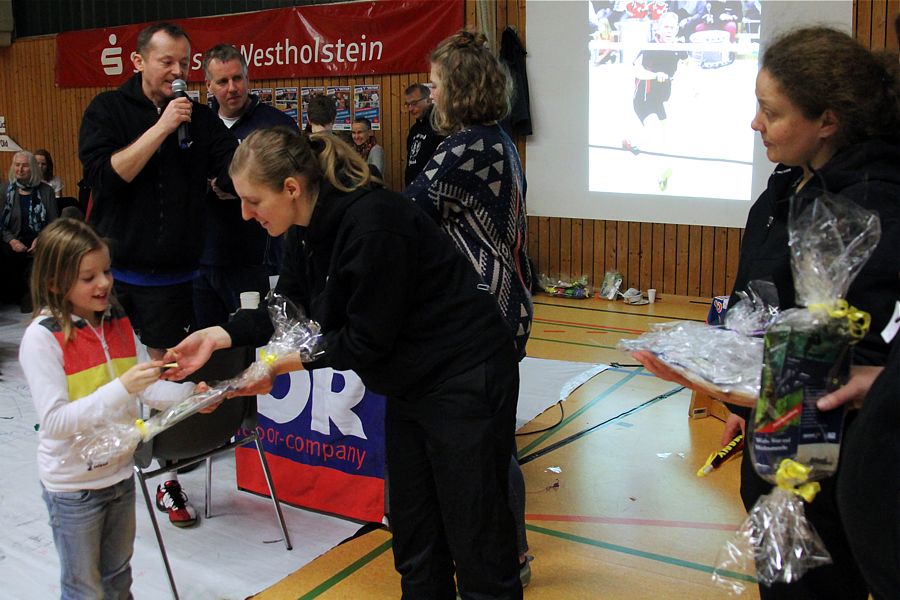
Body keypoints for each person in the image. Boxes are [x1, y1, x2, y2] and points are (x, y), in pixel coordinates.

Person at [164, 127, 523, 600]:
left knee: (477, 541)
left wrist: (272, 368)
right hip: (412, 384)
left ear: (290, 188)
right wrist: (219, 334)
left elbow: (362, 341)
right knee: (416, 538)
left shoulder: (375, 224)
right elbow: (285, 311)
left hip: (465, 376)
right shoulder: (303, 230)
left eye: (253, 200)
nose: (246, 213)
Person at [635, 27, 900, 600]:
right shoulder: (792, 185)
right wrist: (741, 402)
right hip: (777, 438)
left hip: (828, 473)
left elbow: (860, 368)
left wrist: (754, 389)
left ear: (826, 121)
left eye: (770, 111)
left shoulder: (870, 207)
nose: (756, 123)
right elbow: (769, 305)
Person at [78, 21, 238, 527]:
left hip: (172, 277)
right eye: (167, 61)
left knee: (167, 377)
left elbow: (231, 172)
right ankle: (97, 471)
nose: (177, 72)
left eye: (185, 64)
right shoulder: (108, 110)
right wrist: (164, 126)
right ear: (139, 61)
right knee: (108, 378)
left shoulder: (201, 119)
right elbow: (106, 177)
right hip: (111, 276)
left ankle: (168, 476)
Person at [404, 28, 534, 585]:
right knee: (490, 451)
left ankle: (508, 555)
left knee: (483, 461)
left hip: (485, 317)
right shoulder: (492, 139)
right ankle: (509, 552)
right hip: (498, 311)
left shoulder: (469, 146)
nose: (429, 95)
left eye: (434, 86)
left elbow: (410, 212)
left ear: (457, 89)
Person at [18, 218, 204, 599]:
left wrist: (190, 397)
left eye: (105, 271)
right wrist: (122, 388)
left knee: (118, 577)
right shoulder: (41, 340)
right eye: (88, 277)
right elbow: (55, 423)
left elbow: (146, 390)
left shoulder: (116, 320)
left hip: (119, 477)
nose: (103, 283)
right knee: (85, 589)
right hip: (74, 489)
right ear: (55, 283)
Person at [196, 43, 298, 329]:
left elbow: (294, 186)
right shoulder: (198, 126)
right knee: (209, 347)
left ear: (248, 78)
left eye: (237, 78)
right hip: (203, 257)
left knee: (255, 343)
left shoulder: (275, 125)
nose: (232, 88)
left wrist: (243, 190)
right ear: (209, 85)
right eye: (222, 81)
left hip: (255, 258)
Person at [1, 150, 58, 310]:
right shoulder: (4, 190)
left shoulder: (46, 191)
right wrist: (11, 240)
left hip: (38, 242)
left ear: (32, 168)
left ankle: (32, 294)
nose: (20, 169)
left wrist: (41, 239)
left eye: (25, 166)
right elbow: (1, 224)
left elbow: (54, 223)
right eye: (17, 165)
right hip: (10, 242)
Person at [403, 82, 445, 186]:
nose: (410, 109)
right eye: (408, 104)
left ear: (428, 100)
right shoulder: (414, 129)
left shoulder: (440, 126)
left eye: (414, 103)